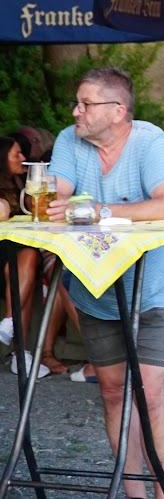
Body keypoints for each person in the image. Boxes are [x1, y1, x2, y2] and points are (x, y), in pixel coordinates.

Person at [46, 67, 164, 498]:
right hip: (94, 286)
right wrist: (55, 199)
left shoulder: (150, 140)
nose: (76, 111)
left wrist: (97, 210)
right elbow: (56, 196)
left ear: (118, 111)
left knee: (151, 394)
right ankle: (132, 494)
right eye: (77, 102)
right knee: (111, 392)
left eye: (85, 104)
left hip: (151, 288)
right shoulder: (71, 140)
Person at [0, 134, 48, 380]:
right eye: (16, 154)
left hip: (18, 252)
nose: (23, 158)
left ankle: (10, 322)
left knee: (25, 262)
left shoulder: (22, 182)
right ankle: (20, 355)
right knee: (22, 266)